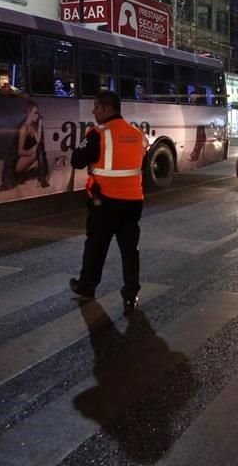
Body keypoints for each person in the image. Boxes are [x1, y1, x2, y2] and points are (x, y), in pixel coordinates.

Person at [70, 91, 149, 312]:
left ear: (106, 109)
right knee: (129, 250)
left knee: (96, 245)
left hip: (105, 201)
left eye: (96, 106)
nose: (93, 111)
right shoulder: (136, 132)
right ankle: (131, 294)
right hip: (134, 202)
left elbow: (77, 160)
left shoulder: (98, 134)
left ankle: (87, 287)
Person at [0, 101, 49, 191]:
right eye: (35, 113)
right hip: (15, 165)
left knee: (39, 147)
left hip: (24, 159)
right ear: (29, 113)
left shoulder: (32, 126)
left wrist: (40, 124)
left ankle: (41, 178)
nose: (37, 115)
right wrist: (32, 152)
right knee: (37, 149)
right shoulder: (24, 128)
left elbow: (38, 140)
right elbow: (20, 151)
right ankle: (42, 179)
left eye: (38, 113)